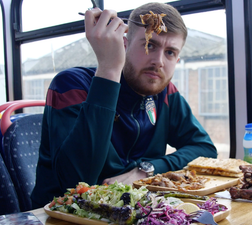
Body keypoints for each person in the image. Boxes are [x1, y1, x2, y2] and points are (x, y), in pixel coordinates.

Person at [31, 2, 217, 208]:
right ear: (124, 44)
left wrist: (146, 170)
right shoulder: (72, 85)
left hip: (133, 211)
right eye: (149, 45)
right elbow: (75, 181)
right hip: (60, 215)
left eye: (170, 52)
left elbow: (204, 148)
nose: (159, 61)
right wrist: (109, 69)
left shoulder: (165, 93)